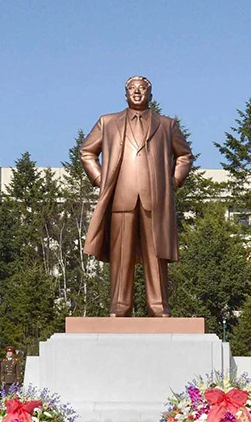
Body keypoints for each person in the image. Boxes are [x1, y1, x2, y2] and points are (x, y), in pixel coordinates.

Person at [80, 76, 194, 317]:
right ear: (125, 95)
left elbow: (184, 156)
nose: (137, 92)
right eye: (132, 89)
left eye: (143, 89)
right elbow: (87, 152)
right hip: (121, 196)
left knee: (156, 252)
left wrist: (173, 181)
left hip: (156, 198)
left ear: (151, 95)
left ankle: (158, 305)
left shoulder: (166, 125)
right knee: (121, 254)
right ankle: (120, 305)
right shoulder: (108, 122)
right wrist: (101, 181)